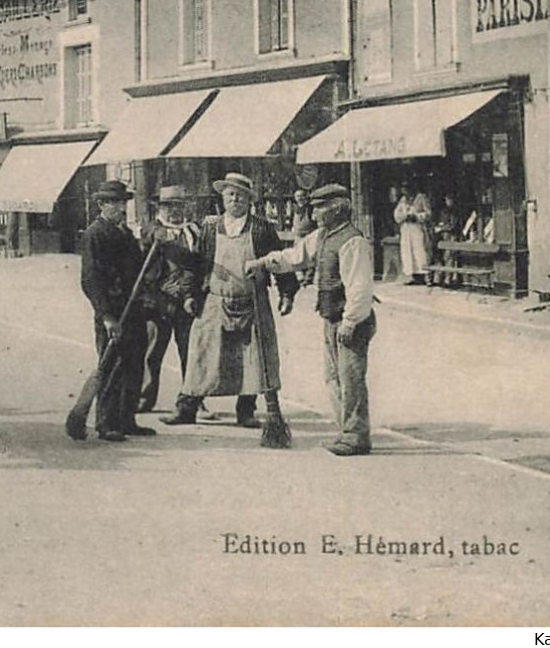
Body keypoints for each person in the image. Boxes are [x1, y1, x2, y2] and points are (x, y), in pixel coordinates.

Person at [162, 172, 298, 429]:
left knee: (252, 358)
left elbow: (279, 261)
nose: (235, 199)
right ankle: (187, 407)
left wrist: (287, 293)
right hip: (215, 299)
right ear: (222, 198)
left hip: (253, 300)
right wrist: (190, 294)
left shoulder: (261, 228)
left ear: (249, 200)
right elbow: (197, 264)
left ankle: (245, 411)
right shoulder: (210, 227)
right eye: (230, 194)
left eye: (240, 195)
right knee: (202, 353)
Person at [248, 184, 376, 457]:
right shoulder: (323, 236)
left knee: (350, 379)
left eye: (318, 208)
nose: (313, 214)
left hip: (349, 320)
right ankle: (347, 430)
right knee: (333, 377)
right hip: (331, 316)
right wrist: (263, 261)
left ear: (336, 209)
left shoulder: (353, 241)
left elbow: (360, 288)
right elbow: (295, 257)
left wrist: (350, 322)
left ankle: (356, 435)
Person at [77, 179, 152, 441]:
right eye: (115, 203)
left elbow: (137, 269)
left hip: (133, 310)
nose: (121, 208)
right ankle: (106, 423)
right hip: (113, 313)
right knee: (111, 367)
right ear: (101, 205)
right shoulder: (94, 234)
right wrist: (106, 316)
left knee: (134, 364)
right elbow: (90, 279)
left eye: (123, 203)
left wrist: (146, 246)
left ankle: (127, 419)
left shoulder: (125, 233)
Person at [138, 185, 201, 413]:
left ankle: (193, 400)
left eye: (178, 206)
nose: (174, 211)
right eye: (168, 206)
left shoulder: (192, 231)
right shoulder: (151, 229)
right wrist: (160, 236)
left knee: (190, 353)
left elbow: (198, 261)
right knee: (152, 352)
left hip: (187, 301)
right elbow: (148, 238)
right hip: (158, 301)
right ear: (159, 207)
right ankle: (144, 398)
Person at [394, 185, 433, 284]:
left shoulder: (421, 197)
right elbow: (396, 214)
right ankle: (413, 276)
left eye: (407, 189)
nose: (406, 192)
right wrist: (404, 216)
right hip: (406, 229)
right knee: (408, 252)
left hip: (417, 228)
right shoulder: (403, 200)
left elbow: (429, 213)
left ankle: (425, 276)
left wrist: (416, 216)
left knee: (420, 252)